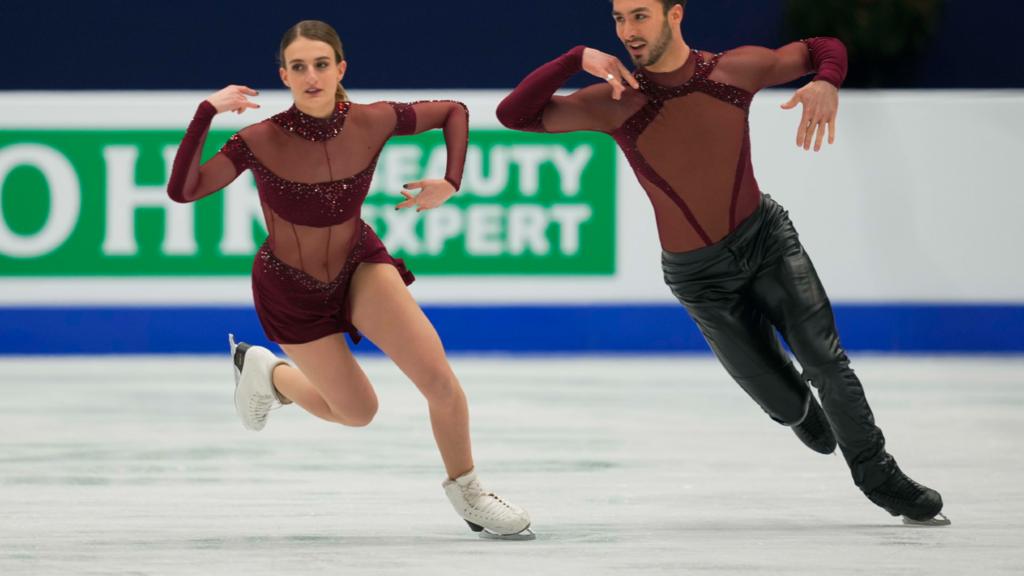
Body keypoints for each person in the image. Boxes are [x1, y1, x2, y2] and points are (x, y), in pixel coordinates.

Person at [496, 0, 948, 526]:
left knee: (826, 362)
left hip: (767, 241)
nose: (627, 31)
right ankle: (798, 410)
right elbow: (515, 116)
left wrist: (827, 80)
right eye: (618, 19)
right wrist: (576, 57)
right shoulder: (617, 102)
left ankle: (880, 476)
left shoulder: (732, 72)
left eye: (639, 16)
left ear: (674, 15)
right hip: (700, 278)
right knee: (784, 402)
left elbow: (824, 47)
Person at [166, 19, 533, 539]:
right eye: (299, 67)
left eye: (321, 64)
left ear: (340, 69)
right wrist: (206, 113)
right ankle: (268, 373)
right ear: (284, 76)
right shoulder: (258, 139)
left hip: (359, 265)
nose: (311, 76)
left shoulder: (374, 119)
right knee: (357, 411)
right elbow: (184, 191)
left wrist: (451, 181)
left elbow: (454, 111)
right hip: (290, 289)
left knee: (439, 380)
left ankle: (470, 494)